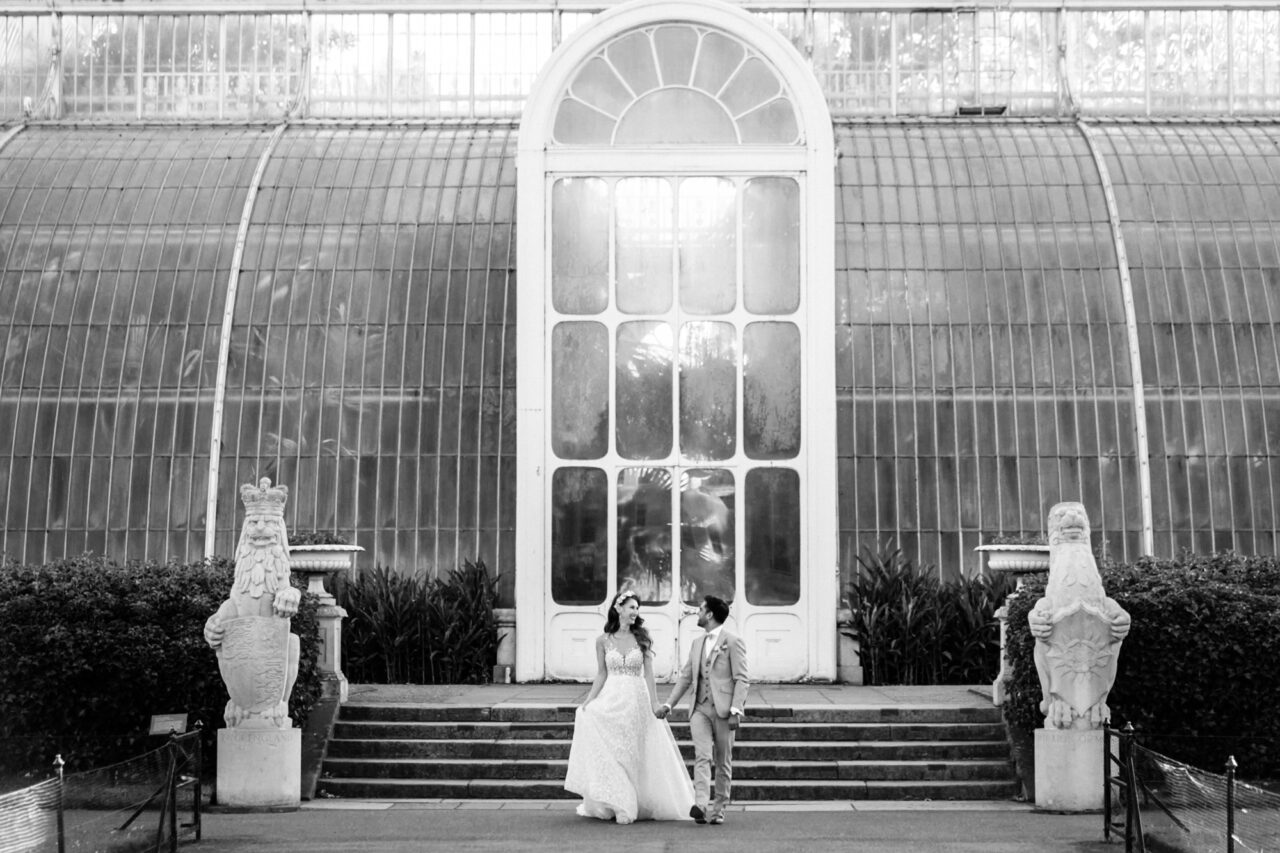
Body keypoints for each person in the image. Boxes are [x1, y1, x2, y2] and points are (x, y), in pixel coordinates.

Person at [564, 590, 696, 824]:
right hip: (612, 698)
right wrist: (588, 700)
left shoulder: (642, 639)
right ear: (619, 608)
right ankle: (616, 801)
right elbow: (601, 674)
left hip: (637, 699)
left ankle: (635, 800)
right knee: (613, 750)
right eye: (632, 607)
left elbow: (649, 675)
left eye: (637, 608)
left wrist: (655, 702)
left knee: (634, 752)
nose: (635, 612)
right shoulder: (602, 641)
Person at [656, 595, 749, 826]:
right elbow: (687, 676)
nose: (696, 613)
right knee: (702, 755)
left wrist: (737, 709)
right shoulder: (697, 643)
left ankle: (718, 809)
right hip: (699, 708)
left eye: (700, 610)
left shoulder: (733, 641)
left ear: (709, 615)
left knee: (723, 761)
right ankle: (700, 804)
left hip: (725, 710)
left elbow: (742, 679)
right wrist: (669, 704)